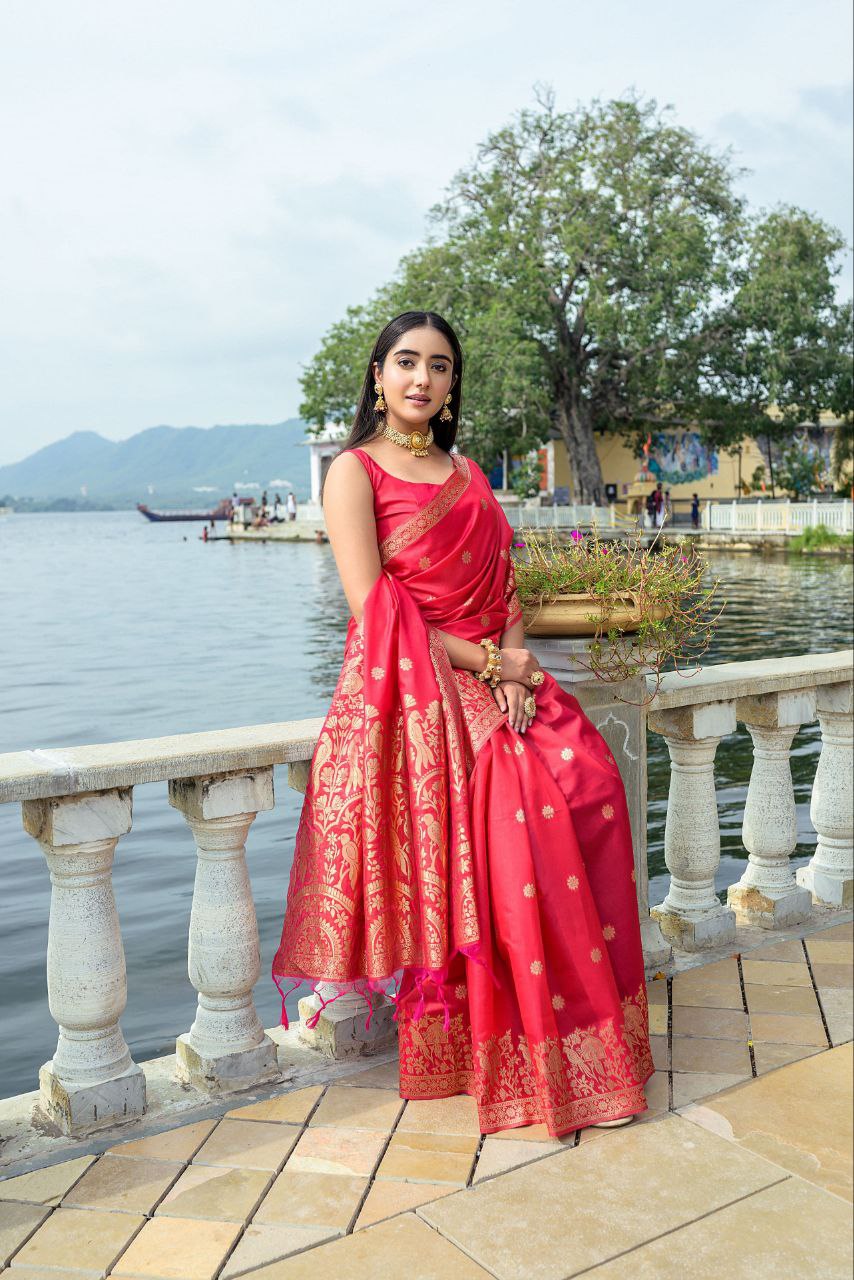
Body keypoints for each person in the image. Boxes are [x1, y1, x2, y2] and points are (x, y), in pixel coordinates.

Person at [271, 310, 653, 1138]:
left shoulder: (468, 471)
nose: (422, 379)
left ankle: (581, 1040)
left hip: (498, 673)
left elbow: (504, 588)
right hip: (422, 687)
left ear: (451, 386)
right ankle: (509, 1050)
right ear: (377, 375)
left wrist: (514, 663)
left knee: (591, 782)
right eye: (406, 362)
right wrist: (490, 669)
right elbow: (377, 612)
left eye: (439, 367)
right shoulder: (353, 474)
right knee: (519, 823)